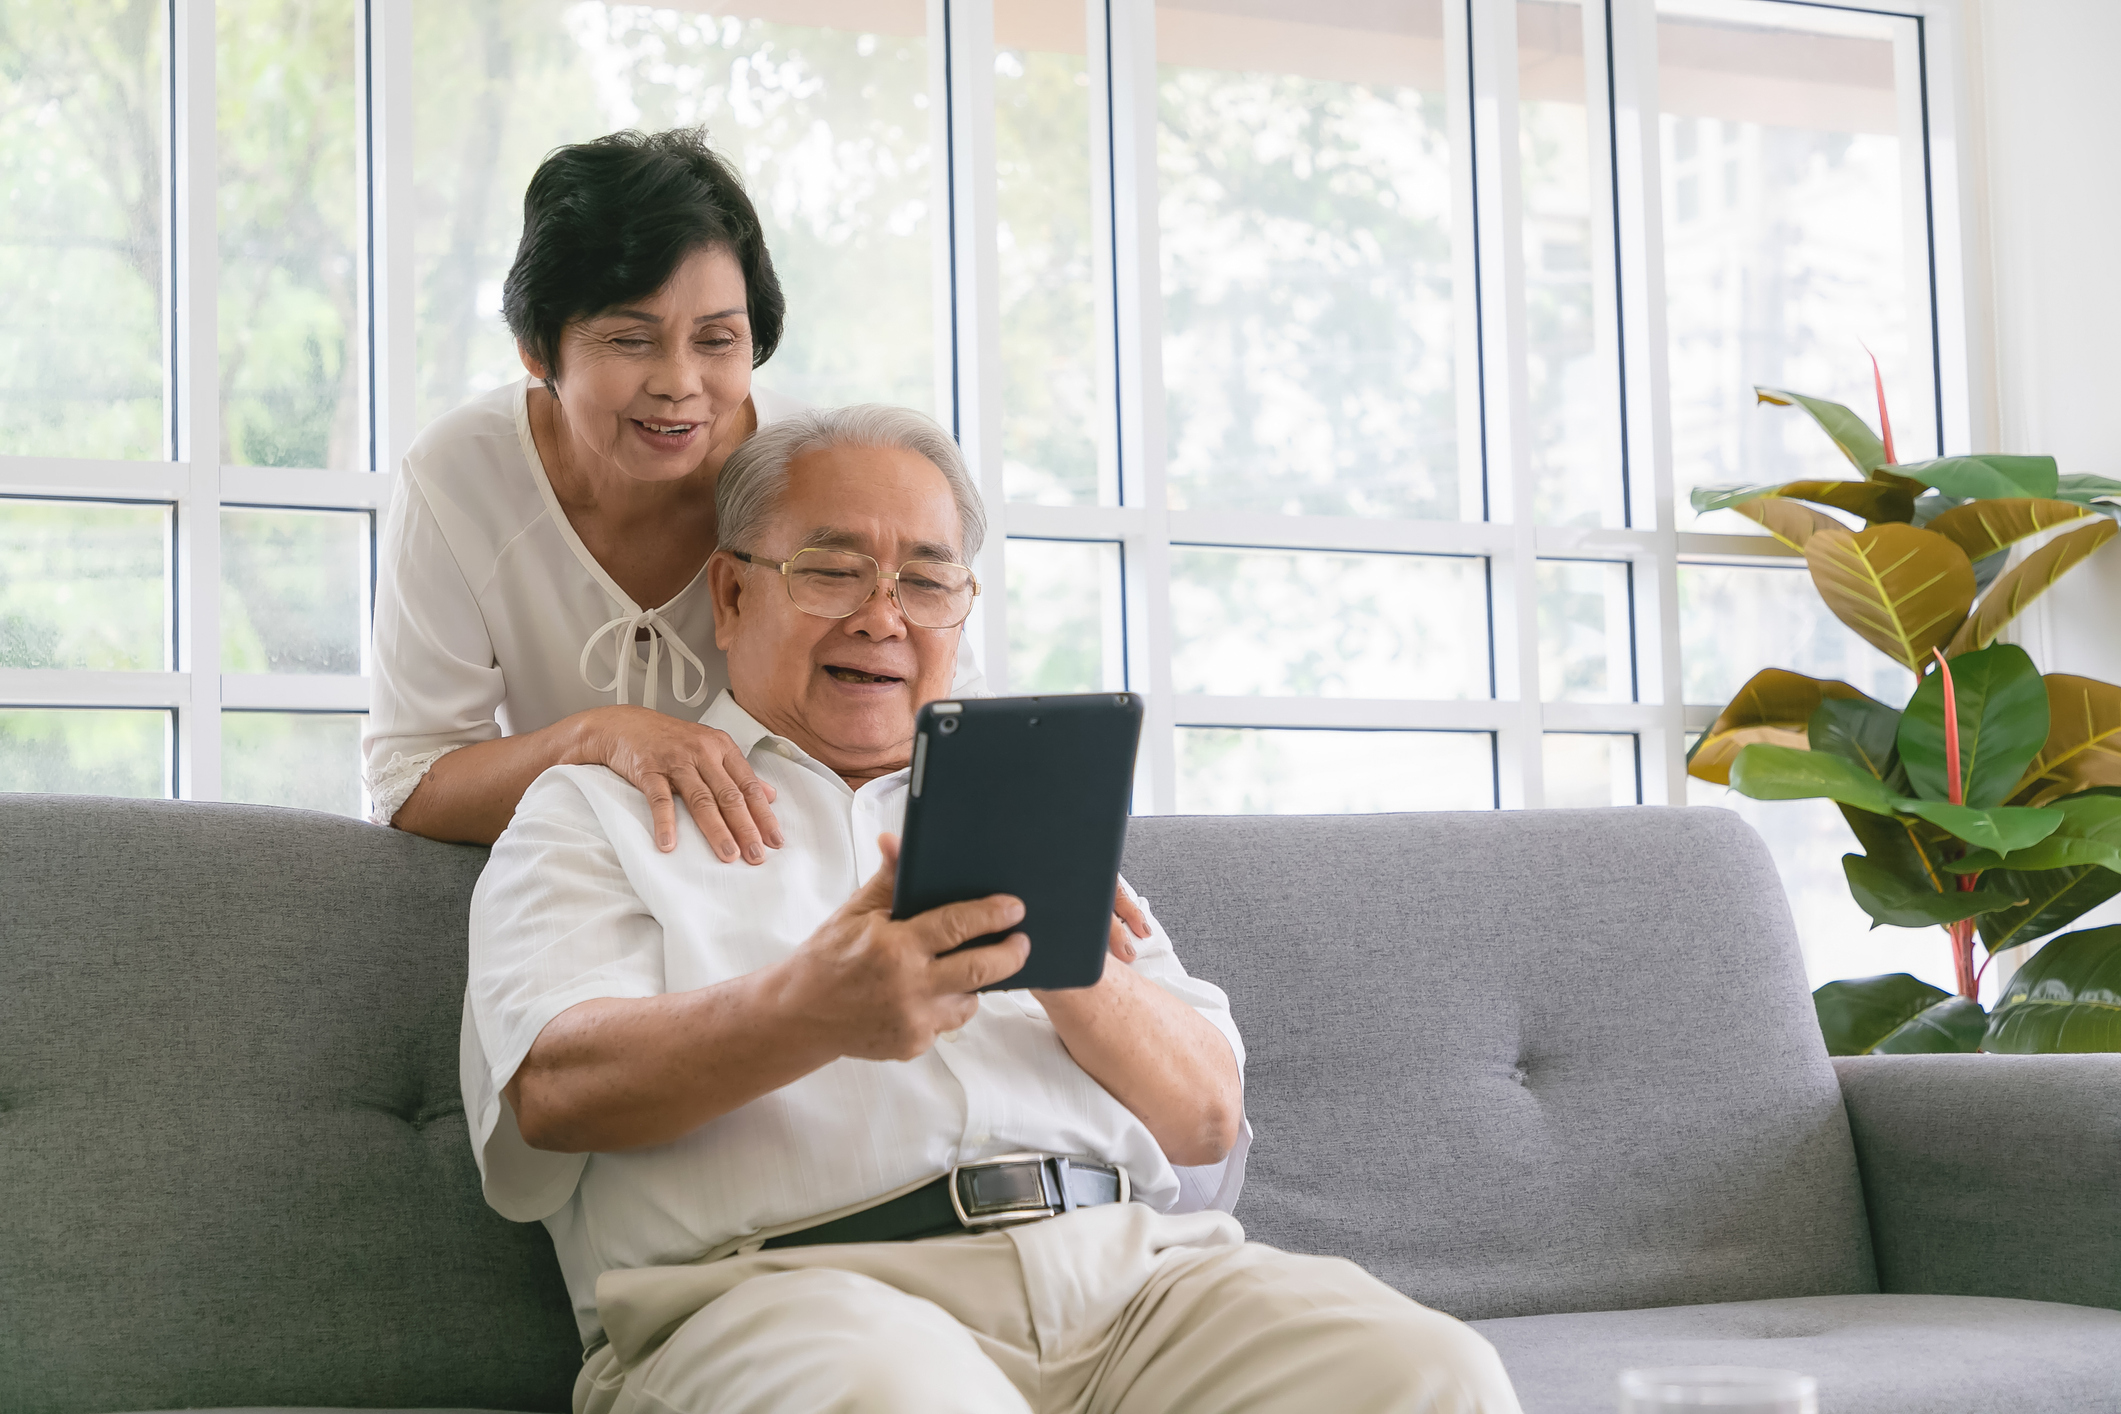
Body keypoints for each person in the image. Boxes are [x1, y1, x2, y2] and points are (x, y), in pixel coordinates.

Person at [460, 404, 1524, 1414]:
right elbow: (551, 1090)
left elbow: (1208, 1122)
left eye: (927, 582)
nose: (884, 615)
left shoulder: (1035, 811)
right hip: (795, 1291)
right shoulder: (599, 805)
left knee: (1432, 1375)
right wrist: (813, 1009)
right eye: (834, 570)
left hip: (1133, 1281)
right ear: (732, 597)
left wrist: (1060, 956)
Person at [362, 127, 985, 863]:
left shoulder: (811, 469)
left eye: (717, 341)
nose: (679, 384)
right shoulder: (458, 476)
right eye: (631, 340)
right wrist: (595, 739)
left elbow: (950, 726)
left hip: (782, 867)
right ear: (537, 349)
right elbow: (410, 785)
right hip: (573, 865)